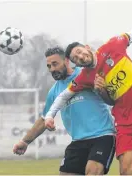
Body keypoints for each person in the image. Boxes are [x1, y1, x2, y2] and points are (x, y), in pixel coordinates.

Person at [44, 14, 132, 175]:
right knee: (125, 170)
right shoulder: (85, 77)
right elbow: (64, 95)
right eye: (75, 58)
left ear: (87, 47)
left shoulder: (113, 46)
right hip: (123, 120)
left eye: (80, 52)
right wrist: (50, 116)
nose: (80, 57)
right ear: (76, 63)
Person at [13, 47, 116, 175]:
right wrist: (25, 141)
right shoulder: (54, 92)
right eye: (49, 66)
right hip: (78, 142)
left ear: (67, 61)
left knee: (93, 172)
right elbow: (44, 119)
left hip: (102, 136)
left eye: (55, 64)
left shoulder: (86, 74)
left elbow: (111, 96)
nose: (52, 69)